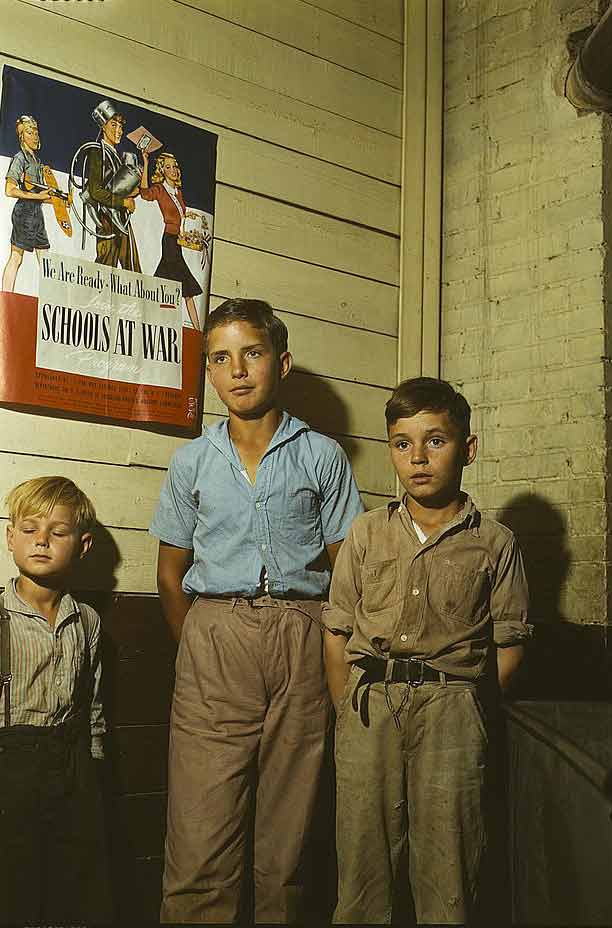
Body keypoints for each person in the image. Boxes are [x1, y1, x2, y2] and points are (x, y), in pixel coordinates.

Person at [150, 298, 364, 923]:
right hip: (214, 634)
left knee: (290, 823)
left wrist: (332, 641)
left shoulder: (322, 455)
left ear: (283, 362)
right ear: (208, 373)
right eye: (221, 358)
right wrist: (196, 640)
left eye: (253, 353)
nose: (238, 369)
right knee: (200, 820)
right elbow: (169, 572)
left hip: (303, 634)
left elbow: (347, 566)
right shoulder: (192, 460)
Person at [323, 377, 532, 925]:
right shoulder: (366, 533)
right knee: (363, 867)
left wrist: (471, 710)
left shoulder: (495, 542)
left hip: (453, 710)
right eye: (401, 443)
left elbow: (508, 643)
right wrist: (346, 708)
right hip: (371, 705)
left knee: (449, 869)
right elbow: (337, 630)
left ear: (468, 449)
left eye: (435, 441)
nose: (417, 457)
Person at [0, 476, 112, 926]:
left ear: (83, 544)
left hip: (69, 779)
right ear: (9, 537)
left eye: (58, 531)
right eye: (30, 528)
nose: (42, 541)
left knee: (64, 898)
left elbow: (90, 709)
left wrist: (88, 772)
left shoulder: (86, 622)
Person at [140, 149, 202, 330]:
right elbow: (144, 193)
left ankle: (146, 320)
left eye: (175, 166)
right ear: (162, 170)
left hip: (177, 241)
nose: (173, 170)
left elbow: (180, 218)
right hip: (169, 242)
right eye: (168, 167)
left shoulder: (177, 192)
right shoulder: (160, 189)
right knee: (186, 290)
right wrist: (145, 162)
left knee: (160, 284)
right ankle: (197, 329)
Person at [86, 99, 141, 271]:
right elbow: (95, 191)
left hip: (122, 217)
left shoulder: (119, 156)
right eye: (114, 126)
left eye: (121, 127)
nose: (119, 131)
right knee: (105, 266)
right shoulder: (96, 152)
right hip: (107, 218)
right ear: (103, 126)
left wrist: (132, 192)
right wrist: (123, 202)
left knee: (132, 267)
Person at [1, 115, 51, 292]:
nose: (36, 136)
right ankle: (6, 297)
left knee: (45, 260)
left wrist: (59, 201)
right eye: (30, 132)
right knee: (16, 257)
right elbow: (10, 190)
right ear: (22, 136)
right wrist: (38, 197)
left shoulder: (37, 161)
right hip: (24, 213)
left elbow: (41, 193)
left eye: (36, 132)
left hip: (37, 214)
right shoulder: (19, 158)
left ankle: (49, 299)